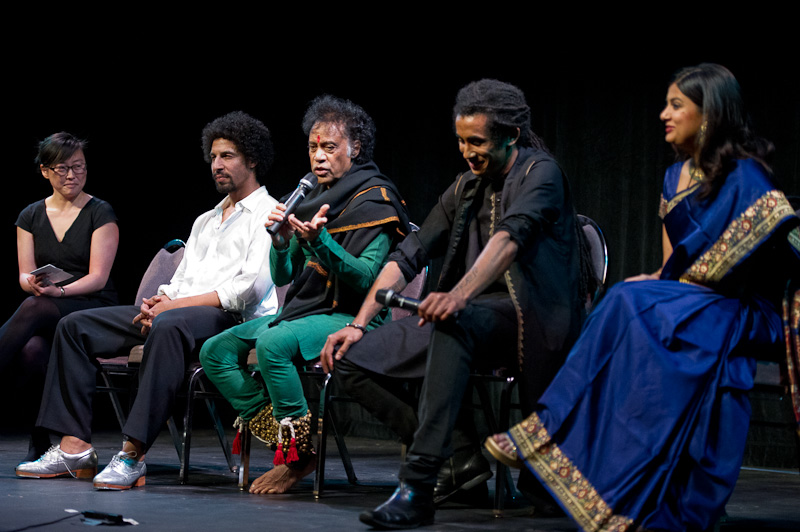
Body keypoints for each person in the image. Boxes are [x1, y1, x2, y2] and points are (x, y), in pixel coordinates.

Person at [485, 64, 800, 532]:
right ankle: (600, 478)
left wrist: (659, 290)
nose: (663, 115)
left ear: (709, 114)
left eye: (676, 105)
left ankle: (547, 429)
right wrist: (649, 282)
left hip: (743, 308)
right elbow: (671, 268)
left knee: (629, 303)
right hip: (691, 301)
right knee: (623, 297)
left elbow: (736, 271)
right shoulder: (674, 178)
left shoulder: (746, 177)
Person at [320, 79, 590, 528]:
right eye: (462, 141)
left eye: (477, 142)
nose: (467, 151)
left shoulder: (541, 174)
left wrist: (456, 296)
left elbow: (510, 238)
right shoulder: (467, 185)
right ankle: (458, 458)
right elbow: (410, 252)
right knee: (351, 359)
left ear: (511, 136)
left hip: (535, 315)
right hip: (470, 316)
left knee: (454, 321)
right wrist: (359, 324)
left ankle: (417, 485)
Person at [15, 111, 280, 491]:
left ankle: (132, 454)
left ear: (252, 159)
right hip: (181, 313)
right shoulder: (206, 220)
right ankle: (74, 448)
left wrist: (172, 308)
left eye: (227, 156)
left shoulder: (268, 213)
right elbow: (183, 279)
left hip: (232, 321)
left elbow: (247, 290)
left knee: (169, 325)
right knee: (74, 326)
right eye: (213, 157)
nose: (216, 165)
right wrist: (160, 299)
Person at [199, 95, 411, 495]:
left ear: (355, 148)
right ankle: (291, 442)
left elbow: (367, 279)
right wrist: (281, 243)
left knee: (274, 343)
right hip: (306, 311)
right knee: (216, 351)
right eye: (313, 147)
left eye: (329, 147)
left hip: (353, 315)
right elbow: (286, 275)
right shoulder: (310, 197)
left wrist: (321, 241)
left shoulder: (375, 199)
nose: (318, 156)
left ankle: (295, 458)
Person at [1, 132, 119, 461]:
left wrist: (60, 291)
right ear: (45, 171)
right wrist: (32, 283)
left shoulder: (100, 212)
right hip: (50, 306)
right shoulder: (30, 216)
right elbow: (24, 274)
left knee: (34, 307)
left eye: (78, 167)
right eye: (63, 168)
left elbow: (98, 278)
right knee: (32, 351)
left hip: (93, 307)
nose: (72, 175)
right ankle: (40, 440)